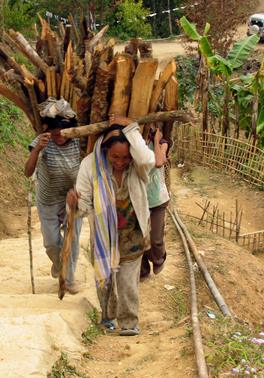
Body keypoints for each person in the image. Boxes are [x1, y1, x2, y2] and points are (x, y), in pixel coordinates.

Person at [66, 115, 155, 336]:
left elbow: (146, 159)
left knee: (126, 282)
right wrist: (74, 204)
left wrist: (132, 127)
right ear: (105, 149)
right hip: (103, 237)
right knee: (104, 280)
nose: (120, 162)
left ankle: (129, 322)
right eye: (115, 156)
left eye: (125, 157)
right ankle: (107, 316)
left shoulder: (138, 167)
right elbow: (84, 204)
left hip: (132, 235)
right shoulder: (90, 165)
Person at [25, 114, 83, 294]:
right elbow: (28, 172)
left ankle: (68, 279)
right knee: (51, 242)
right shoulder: (43, 141)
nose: (60, 138)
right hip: (48, 199)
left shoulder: (79, 142)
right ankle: (59, 263)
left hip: (73, 198)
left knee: (71, 241)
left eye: (64, 134)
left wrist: (79, 195)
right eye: (56, 134)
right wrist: (36, 150)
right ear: (48, 131)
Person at [140, 125, 170, 282]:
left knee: (155, 238)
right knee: (139, 238)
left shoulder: (161, 143)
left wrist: (156, 140)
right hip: (139, 201)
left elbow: (160, 161)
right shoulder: (135, 141)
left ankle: (159, 258)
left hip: (157, 200)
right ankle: (143, 271)